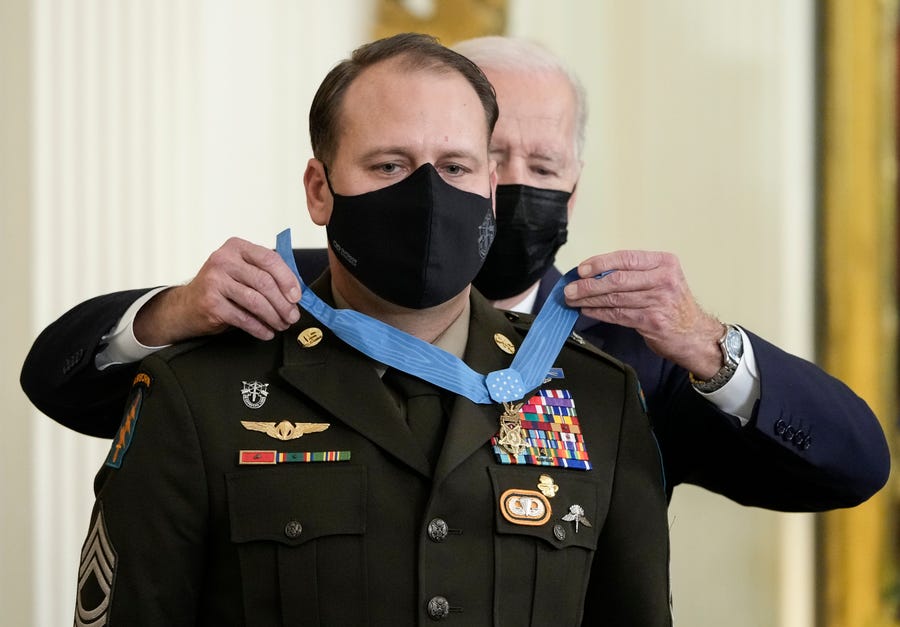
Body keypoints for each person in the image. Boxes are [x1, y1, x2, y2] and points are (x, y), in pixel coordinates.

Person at [22, 36, 889, 511]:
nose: (507, 186)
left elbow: (851, 466)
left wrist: (710, 347)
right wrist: (171, 311)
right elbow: (58, 380)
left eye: (540, 166)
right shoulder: (284, 299)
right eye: (483, 155)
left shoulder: (627, 353)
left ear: (575, 191)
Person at [70, 33, 672, 625]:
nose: (429, 194)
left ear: (490, 192)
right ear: (319, 190)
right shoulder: (198, 393)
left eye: (456, 166)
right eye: (390, 165)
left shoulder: (599, 397)